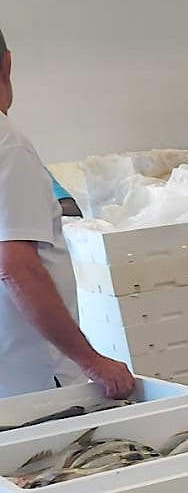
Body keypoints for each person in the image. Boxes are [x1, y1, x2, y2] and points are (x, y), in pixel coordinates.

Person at [0, 27, 134, 398]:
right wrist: (92, 361)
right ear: (7, 64)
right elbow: (17, 267)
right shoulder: (7, 147)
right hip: (36, 378)